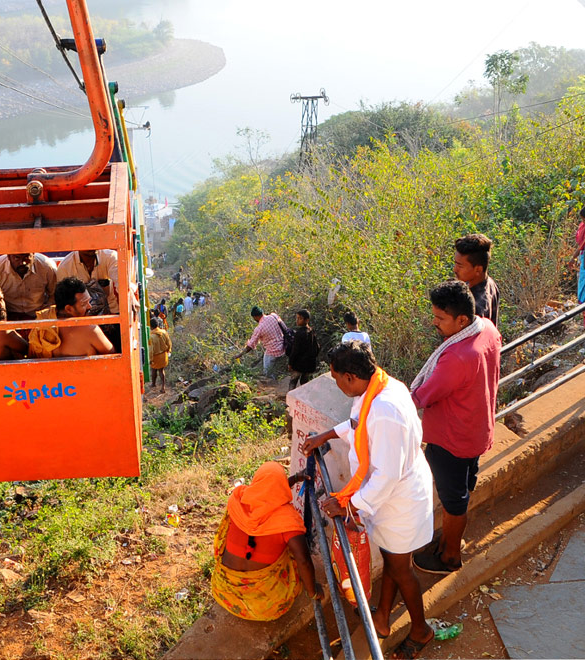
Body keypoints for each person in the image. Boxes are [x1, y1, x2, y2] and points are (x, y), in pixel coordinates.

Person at [300, 341, 436, 657]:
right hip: (390, 498)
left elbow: (386, 475)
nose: (336, 385)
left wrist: (349, 503)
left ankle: (421, 630)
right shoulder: (378, 388)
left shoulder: (384, 408)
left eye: (335, 379)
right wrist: (325, 436)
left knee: (402, 570)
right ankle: (383, 618)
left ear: (350, 377)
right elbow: (357, 425)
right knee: (391, 560)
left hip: (399, 501)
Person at [410, 280, 501, 576]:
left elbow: (421, 396)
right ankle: (449, 537)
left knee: (453, 501)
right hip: (476, 429)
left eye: (440, 318)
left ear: (461, 320)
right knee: (462, 489)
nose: (434, 323)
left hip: (451, 440)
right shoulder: (486, 328)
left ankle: (450, 555)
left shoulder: (457, 357)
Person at [210, 461, 321, 621]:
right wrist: (313, 591)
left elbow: (266, 492)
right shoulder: (288, 520)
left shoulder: (237, 500)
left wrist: (295, 478)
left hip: (224, 593)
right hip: (265, 608)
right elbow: (303, 561)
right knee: (294, 551)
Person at [0, 252, 57, 318]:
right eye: (17, 258)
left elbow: (54, 294)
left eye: (26, 257)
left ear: (33, 254)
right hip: (8, 315)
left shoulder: (47, 267)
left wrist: (45, 314)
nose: (22, 262)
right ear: (9, 256)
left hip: (39, 314)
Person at [52, 277, 114, 357]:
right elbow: (113, 357)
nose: (90, 306)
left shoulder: (43, 324)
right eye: (84, 304)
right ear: (68, 309)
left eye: (89, 301)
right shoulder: (89, 329)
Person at [452, 233, 500, 326]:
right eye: (455, 264)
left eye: (460, 266)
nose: (455, 269)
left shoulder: (476, 307)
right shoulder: (489, 282)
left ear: (478, 269)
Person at [57, 249, 120, 313]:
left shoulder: (111, 257)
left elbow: (123, 287)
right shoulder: (65, 267)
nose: (90, 245)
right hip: (82, 318)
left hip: (112, 313)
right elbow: (65, 304)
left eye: (93, 239)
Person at [236, 306, 288, 375]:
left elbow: (250, 346)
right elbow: (285, 328)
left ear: (255, 317)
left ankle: (270, 381)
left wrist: (240, 355)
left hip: (272, 352)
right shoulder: (274, 316)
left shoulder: (259, 328)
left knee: (267, 372)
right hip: (284, 347)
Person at [288, 309, 320, 390]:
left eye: (300, 318)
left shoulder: (299, 333)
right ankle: (304, 399)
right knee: (305, 383)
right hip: (309, 364)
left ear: (307, 320)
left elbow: (295, 350)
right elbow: (317, 347)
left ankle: (289, 398)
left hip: (298, 364)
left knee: (293, 381)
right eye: (297, 318)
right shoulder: (311, 331)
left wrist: (290, 363)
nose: (297, 320)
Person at [148, 316, 172, 393]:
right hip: (163, 355)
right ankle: (163, 387)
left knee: (153, 370)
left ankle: (153, 384)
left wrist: (150, 359)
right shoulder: (164, 332)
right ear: (158, 324)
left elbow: (151, 349)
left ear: (150, 326)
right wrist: (169, 350)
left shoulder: (151, 336)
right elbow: (169, 343)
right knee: (161, 370)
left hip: (155, 356)